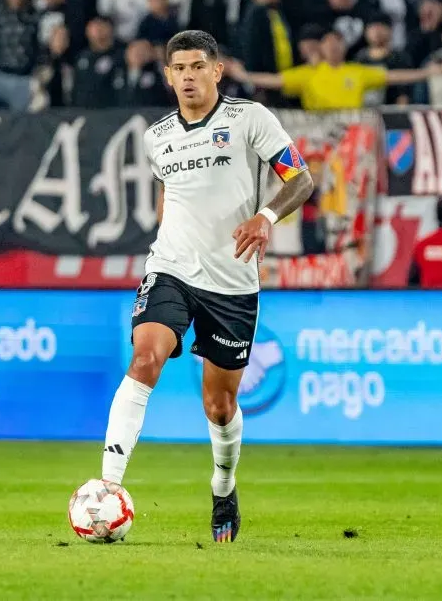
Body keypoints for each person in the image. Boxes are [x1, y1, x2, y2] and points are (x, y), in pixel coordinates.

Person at [100, 30, 314, 544]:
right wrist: (166, 243)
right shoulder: (158, 138)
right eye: (180, 68)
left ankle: (223, 485)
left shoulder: (249, 120)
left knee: (219, 406)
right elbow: (169, 197)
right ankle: (106, 488)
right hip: (172, 269)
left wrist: (265, 217)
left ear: (217, 71)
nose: (189, 76)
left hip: (233, 282)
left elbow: (300, 179)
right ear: (169, 75)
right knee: (144, 358)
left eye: (199, 66)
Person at [226, 30, 442, 111]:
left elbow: (393, 77)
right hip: (320, 137)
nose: (334, 47)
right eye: (329, 43)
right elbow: (275, 81)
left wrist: (427, 73)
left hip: (353, 137)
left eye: (338, 43)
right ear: (321, 48)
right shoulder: (309, 73)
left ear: (344, 47)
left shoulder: (357, 71)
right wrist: (243, 76)